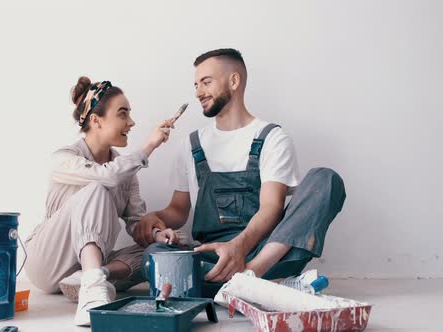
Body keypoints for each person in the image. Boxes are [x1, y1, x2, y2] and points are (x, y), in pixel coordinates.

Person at [135, 48, 346, 297]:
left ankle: (249, 279)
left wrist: (240, 247)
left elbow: (271, 207)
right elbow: (178, 210)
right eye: (195, 85)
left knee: (326, 179)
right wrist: (154, 218)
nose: (198, 92)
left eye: (206, 82)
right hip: (215, 258)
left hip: (268, 252)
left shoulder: (272, 138)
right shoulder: (191, 145)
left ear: (234, 81)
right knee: (152, 258)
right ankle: (268, 286)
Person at [24, 77, 178, 326]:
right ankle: (94, 287)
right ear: (96, 120)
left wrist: (159, 235)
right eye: (123, 114)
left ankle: (90, 276)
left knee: (160, 252)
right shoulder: (64, 157)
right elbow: (106, 175)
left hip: (87, 262)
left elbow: (136, 225)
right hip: (47, 261)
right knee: (96, 187)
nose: (131, 122)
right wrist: (150, 145)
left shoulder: (126, 172)